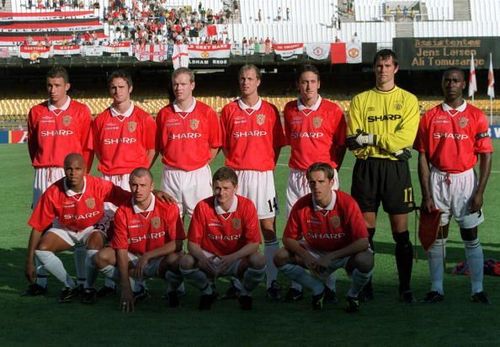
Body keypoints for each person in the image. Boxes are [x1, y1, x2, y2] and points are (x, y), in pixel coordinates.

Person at [346, 49, 419, 302]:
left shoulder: (408, 100)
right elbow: (355, 141)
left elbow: (405, 139)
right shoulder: (360, 100)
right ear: (374, 68)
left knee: (401, 234)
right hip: (367, 168)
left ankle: (405, 287)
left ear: (396, 68)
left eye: (388, 65)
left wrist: (373, 138)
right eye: (379, 66)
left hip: (395, 172)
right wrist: (388, 145)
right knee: (366, 235)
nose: (383, 70)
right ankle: (366, 285)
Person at [414, 68, 493, 304]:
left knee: (470, 236)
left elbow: (486, 155)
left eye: (456, 80)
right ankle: (436, 289)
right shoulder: (429, 117)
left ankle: (477, 290)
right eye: (447, 80)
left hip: (466, 181)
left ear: (463, 84)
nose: (451, 84)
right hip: (438, 179)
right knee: (438, 237)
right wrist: (427, 194)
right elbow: (422, 157)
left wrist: (480, 192)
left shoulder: (477, 115)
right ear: (442, 84)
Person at [24, 153, 130, 303]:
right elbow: (37, 227)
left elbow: (128, 197)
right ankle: (70, 286)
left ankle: (88, 288)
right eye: (69, 169)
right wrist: (29, 261)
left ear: (85, 170)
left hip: (92, 227)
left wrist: (154, 195)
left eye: (78, 169)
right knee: (42, 248)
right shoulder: (54, 192)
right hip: (66, 229)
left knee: (94, 243)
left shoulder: (98, 185)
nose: (73, 173)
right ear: (64, 169)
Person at [220, 64, 286, 300]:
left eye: (250, 78)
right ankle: (237, 283)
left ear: (258, 81)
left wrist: (264, 164)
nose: (245, 82)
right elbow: (225, 144)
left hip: (262, 176)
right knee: (236, 230)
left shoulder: (269, 110)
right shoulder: (229, 110)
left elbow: (277, 145)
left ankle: (272, 281)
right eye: (242, 79)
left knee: (268, 229)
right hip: (237, 176)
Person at [26, 65, 93, 294]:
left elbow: (86, 148)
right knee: (41, 226)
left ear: (67, 86)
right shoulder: (36, 112)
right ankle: (41, 282)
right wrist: (41, 165)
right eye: (49, 85)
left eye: (57, 86)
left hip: (71, 174)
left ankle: (83, 282)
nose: (52, 90)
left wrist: (82, 175)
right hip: (44, 172)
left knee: (78, 224)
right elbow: (33, 146)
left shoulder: (81, 111)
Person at [283, 64, 346, 301]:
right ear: (298, 84)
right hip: (297, 176)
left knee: (327, 231)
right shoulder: (289, 109)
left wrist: (330, 173)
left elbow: (340, 145)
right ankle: (298, 285)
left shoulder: (332, 110)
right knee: (296, 232)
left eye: (312, 82)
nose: (308, 86)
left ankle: (329, 284)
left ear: (319, 84)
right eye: (303, 82)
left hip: (324, 177)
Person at [274, 163, 373, 312]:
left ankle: (353, 295)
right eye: (312, 182)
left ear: (331, 182)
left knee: (365, 260)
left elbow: (363, 242)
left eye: (321, 182)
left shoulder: (347, 203)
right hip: (315, 252)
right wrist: (307, 257)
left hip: (343, 253)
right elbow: (288, 238)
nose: (316, 187)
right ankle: (317, 289)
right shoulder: (302, 205)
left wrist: (331, 257)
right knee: (280, 256)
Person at [84, 168, 185, 310]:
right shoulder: (122, 212)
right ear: (129, 185)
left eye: (143, 185)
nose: (138, 190)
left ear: (152, 187)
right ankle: (134, 286)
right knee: (101, 257)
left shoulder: (168, 206)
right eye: (134, 185)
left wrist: (148, 256)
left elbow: (178, 243)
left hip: (158, 258)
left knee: (178, 260)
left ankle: (173, 289)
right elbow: (121, 249)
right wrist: (125, 287)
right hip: (134, 258)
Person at [179, 167, 266, 310]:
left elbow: (254, 244)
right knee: (186, 261)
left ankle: (245, 293)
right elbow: (192, 244)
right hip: (210, 258)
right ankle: (208, 291)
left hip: (235, 257)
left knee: (259, 260)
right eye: (217, 188)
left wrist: (231, 258)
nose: (221, 192)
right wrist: (204, 260)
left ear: (235, 188)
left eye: (226, 188)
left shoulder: (247, 205)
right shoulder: (203, 206)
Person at [154, 67, 221, 218]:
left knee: (204, 219)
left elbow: (215, 145)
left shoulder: (207, 112)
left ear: (192, 85)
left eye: (183, 84)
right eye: (176, 84)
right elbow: (160, 147)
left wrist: (198, 162)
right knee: (170, 221)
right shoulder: (164, 114)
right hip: (171, 174)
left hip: (198, 175)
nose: (179, 88)